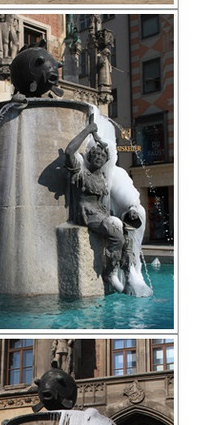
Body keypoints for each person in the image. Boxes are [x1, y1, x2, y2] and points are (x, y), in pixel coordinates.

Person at [64, 113, 133, 292]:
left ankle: (126, 271)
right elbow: (69, 151)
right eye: (96, 155)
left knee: (125, 234)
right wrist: (88, 130)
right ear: (90, 156)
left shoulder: (102, 177)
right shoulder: (80, 171)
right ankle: (109, 273)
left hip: (101, 213)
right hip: (86, 213)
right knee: (116, 234)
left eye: (102, 157)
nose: (99, 158)